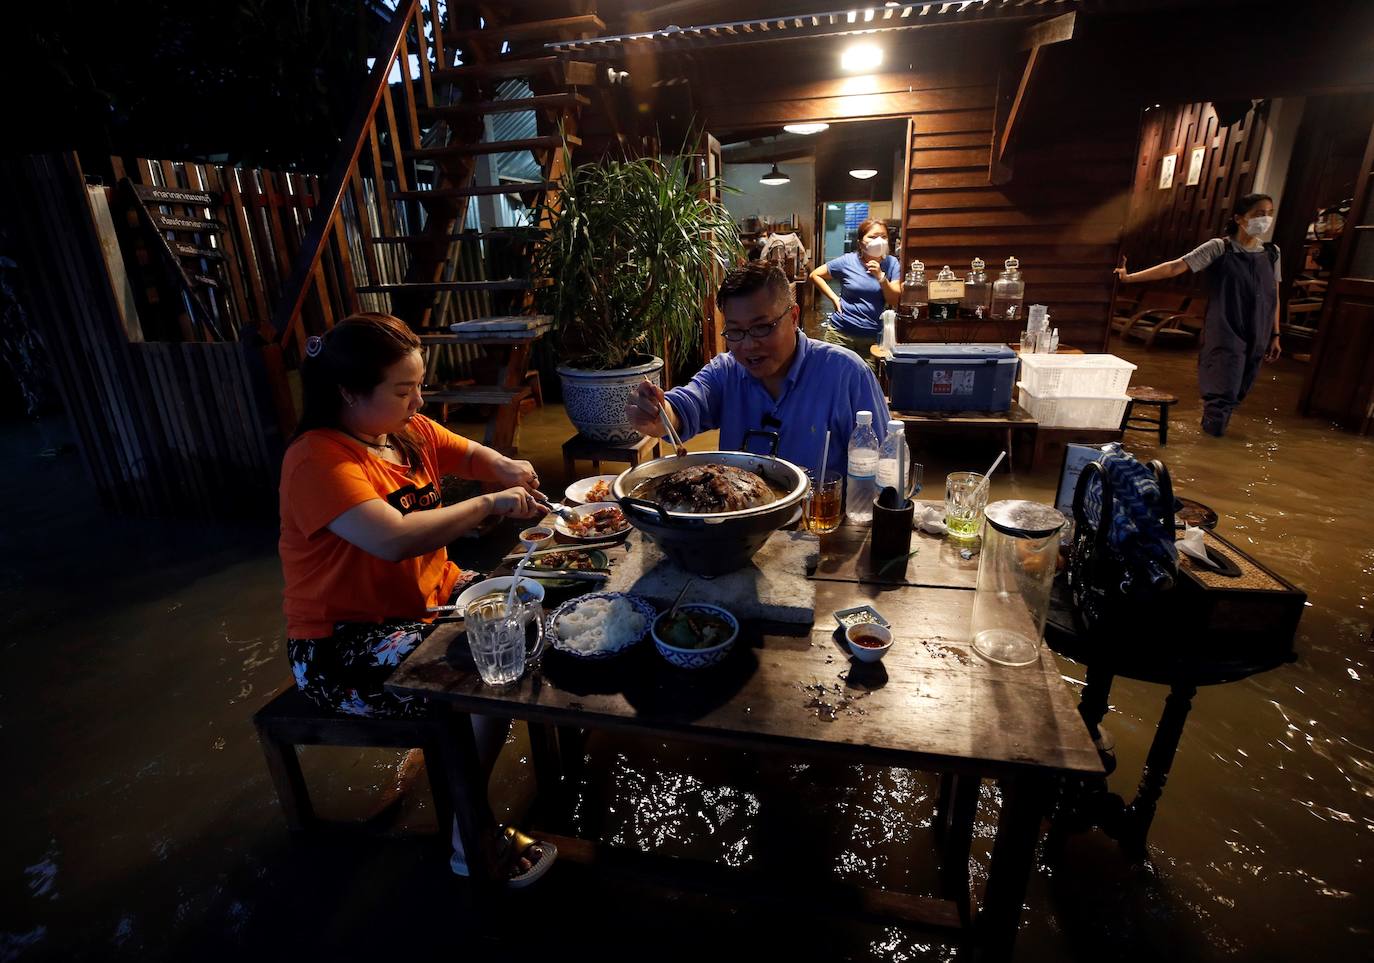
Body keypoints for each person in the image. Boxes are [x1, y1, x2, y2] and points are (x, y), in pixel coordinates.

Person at [277, 311, 554, 884]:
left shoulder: (404, 432)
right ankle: (469, 836)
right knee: (485, 677)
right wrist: (489, 505)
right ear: (348, 393)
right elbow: (391, 539)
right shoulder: (316, 459)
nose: (419, 402)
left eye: (419, 385)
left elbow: (474, 457)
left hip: (430, 600)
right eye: (404, 390)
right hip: (346, 644)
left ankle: (511, 778)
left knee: (542, 606)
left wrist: (506, 468)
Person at [624, 261, 891, 479]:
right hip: (742, 527)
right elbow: (687, 404)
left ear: (794, 316)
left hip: (821, 528)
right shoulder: (726, 372)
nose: (749, 345)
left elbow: (886, 468)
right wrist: (660, 413)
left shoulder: (847, 375)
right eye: (736, 331)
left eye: (762, 327)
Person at [1115, 193, 1282, 437]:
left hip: (1259, 331)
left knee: (1239, 390)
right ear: (1239, 218)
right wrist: (1130, 278)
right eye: (1258, 214)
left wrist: (1275, 334)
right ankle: (1212, 442)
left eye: (1269, 213)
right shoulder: (1219, 248)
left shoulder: (1271, 253)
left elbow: (1274, 294)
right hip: (1225, 328)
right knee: (1222, 390)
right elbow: (1175, 266)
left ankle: (1212, 436)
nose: (1265, 219)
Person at [808, 218, 901, 364]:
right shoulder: (847, 261)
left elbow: (894, 300)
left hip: (871, 339)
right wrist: (834, 298)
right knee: (834, 380)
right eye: (873, 236)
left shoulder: (891, 263)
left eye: (883, 237)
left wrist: (881, 277)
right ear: (860, 242)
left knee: (864, 383)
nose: (879, 241)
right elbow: (815, 275)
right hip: (840, 334)